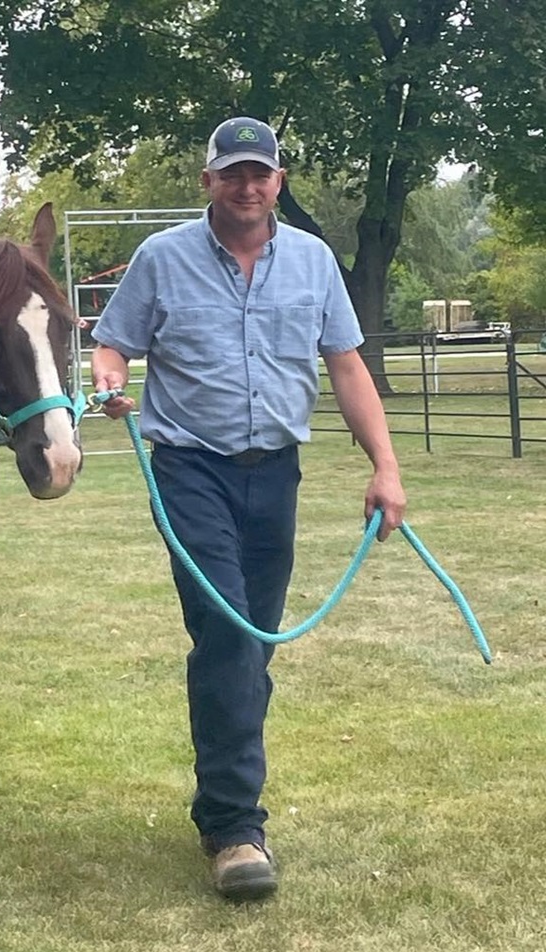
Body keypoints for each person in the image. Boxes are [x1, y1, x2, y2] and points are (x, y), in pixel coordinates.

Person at [90, 116, 407, 902]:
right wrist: (108, 380)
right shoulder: (162, 258)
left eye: (259, 173)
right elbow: (113, 342)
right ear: (208, 182)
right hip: (190, 470)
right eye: (231, 173)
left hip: (276, 477)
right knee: (232, 633)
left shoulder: (313, 261)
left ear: (278, 181)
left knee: (247, 646)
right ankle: (236, 829)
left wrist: (386, 467)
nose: (246, 186)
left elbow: (346, 366)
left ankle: (220, 798)